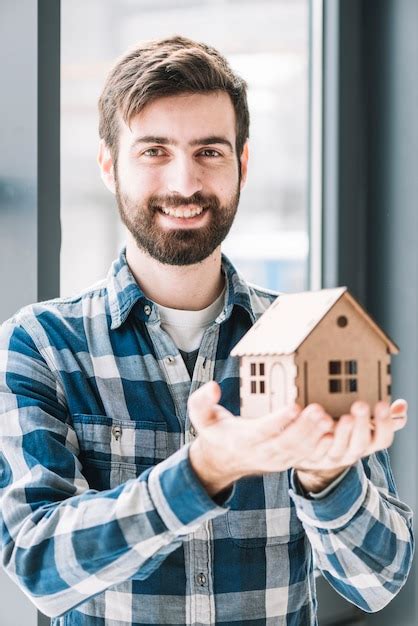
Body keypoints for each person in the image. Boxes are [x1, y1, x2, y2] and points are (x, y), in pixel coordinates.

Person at [0, 35, 413, 626]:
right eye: (154, 151)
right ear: (109, 164)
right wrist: (204, 471)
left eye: (210, 152)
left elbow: (379, 582)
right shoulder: (39, 346)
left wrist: (326, 479)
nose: (185, 183)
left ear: (242, 164)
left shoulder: (305, 339)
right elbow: (38, 562)